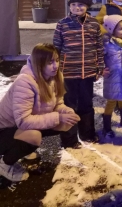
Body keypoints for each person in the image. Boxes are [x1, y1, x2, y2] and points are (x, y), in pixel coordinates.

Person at [0, 43, 80, 182]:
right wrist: (58, 117)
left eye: (56, 60)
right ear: (39, 64)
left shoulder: (55, 76)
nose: (55, 66)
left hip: (19, 126)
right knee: (34, 136)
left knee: (67, 122)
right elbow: (23, 121)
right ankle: (5, 163)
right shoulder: (25, 82)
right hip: (4, 129)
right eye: (50, 62)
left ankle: (22, 147)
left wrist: (66, 112)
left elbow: (57, 104)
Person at [53, 0, 104, 146]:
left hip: (87, 73)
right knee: (68, 106)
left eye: (81, 4)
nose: (77, 7)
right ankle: (69, 140)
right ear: (69, 6)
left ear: (87, 6)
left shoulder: (94, 24)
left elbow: (99, 47)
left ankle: (88, 134)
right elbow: (56, 49)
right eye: (74, 4)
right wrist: (56, 71)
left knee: (86, 104)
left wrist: (99, 67)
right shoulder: (62, 24)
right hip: (68, 73)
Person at [102, 14, 122, 137]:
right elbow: (100, 57)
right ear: (112, 30)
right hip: (112, 77)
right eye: (120, 28)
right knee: (111, 102)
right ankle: (106, 127)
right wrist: (101, 69)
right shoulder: (107, 44)